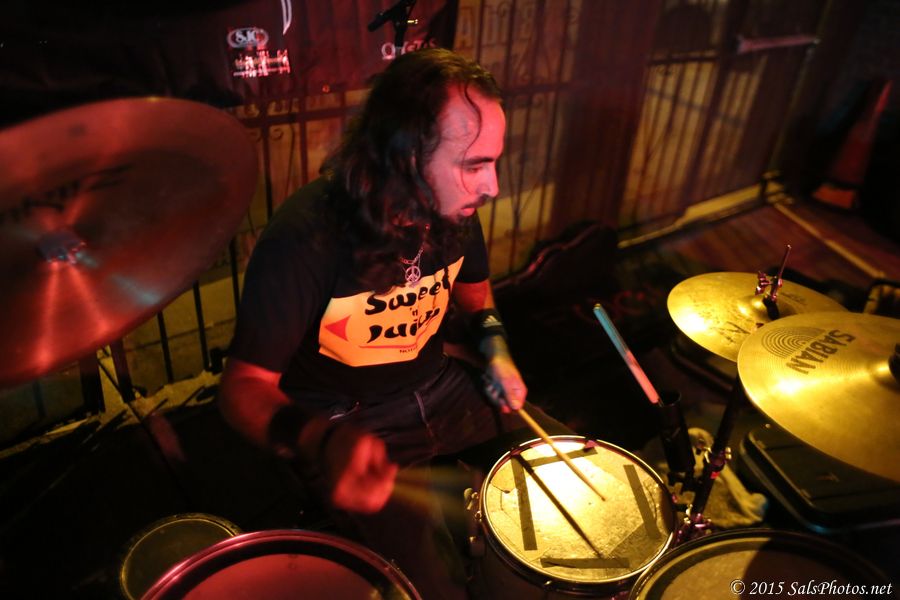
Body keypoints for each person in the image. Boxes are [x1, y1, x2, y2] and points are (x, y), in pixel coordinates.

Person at [218, 47, 568, 599]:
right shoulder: (307, 236)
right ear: (406, 157)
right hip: (350, 417)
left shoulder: (454, 211)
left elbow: (475, 295)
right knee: (430, 584)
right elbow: (243, 387)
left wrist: (497, 351)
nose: (493, 186)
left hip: (440, 385)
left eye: (494, 162)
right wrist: (322, 440)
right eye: (473, 164)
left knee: (570, 472)